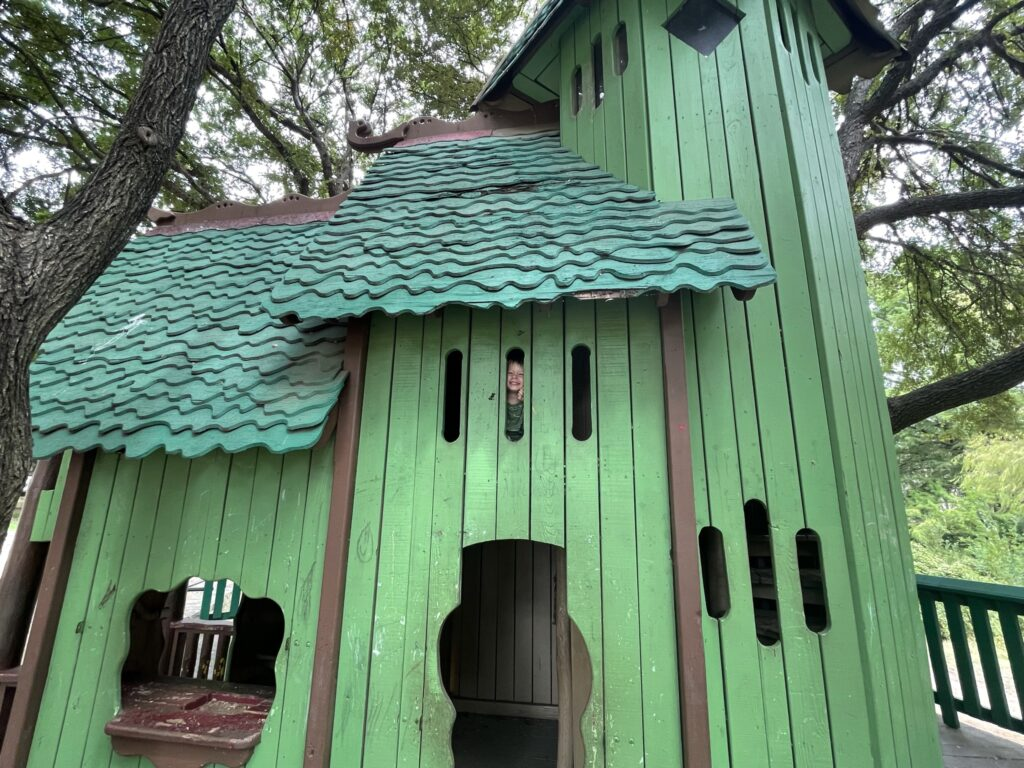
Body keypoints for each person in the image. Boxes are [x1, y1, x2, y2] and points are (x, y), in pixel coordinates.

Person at [505, 358, 525, 441]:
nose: (514, 377)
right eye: (510, 373)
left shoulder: (526, 402)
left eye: (520, 374)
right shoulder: (495, 400)